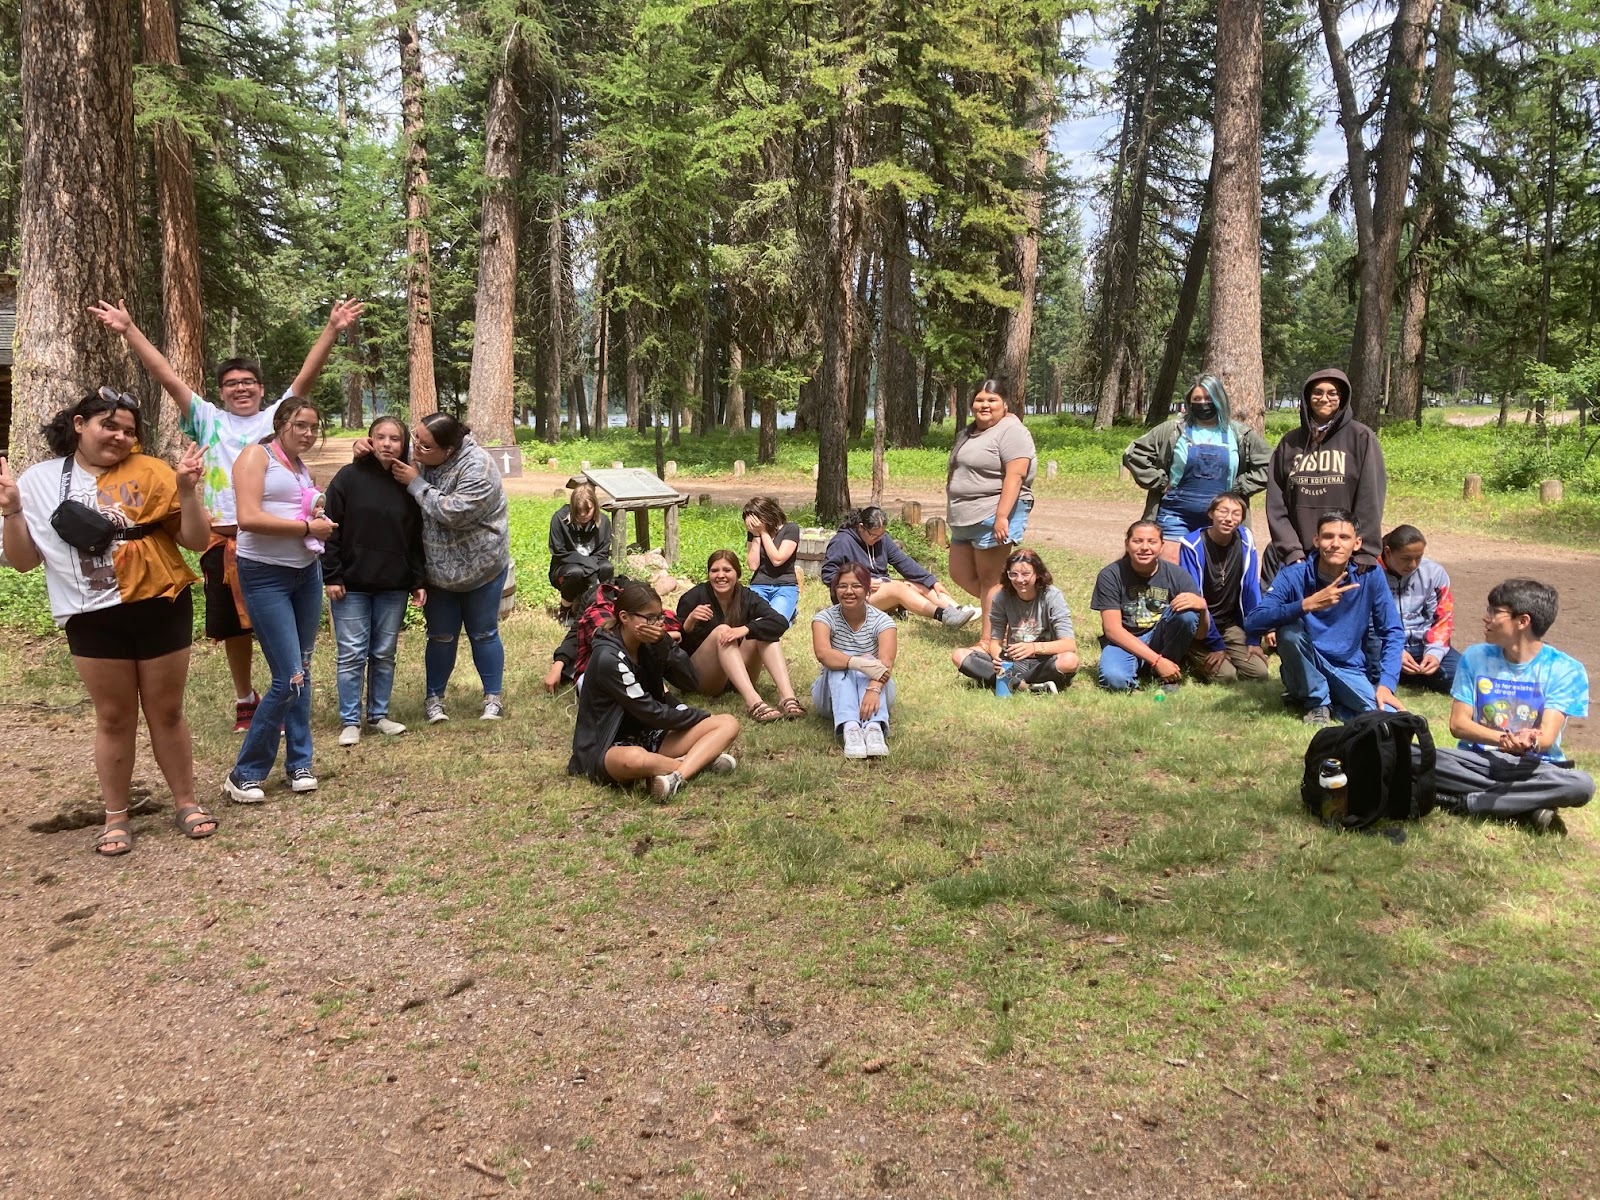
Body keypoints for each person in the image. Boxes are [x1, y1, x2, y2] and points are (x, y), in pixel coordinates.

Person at [91, 296, 363, 733]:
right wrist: (128, 329)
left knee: (281, 624)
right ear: (221, 391)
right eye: (233, 382)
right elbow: (166, 375)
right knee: (232, 628)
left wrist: (331, 328)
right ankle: (245, 698)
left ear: (261, 389)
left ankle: (283, 689)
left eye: (250, 382)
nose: (242, 388)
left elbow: (305, 379)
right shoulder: (206, 419)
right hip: (223, 535)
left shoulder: (277, 418)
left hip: (281, 535)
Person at [0, 391, 215, 855]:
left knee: (168, 711)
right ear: (79, 424)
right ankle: (116, 816)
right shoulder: (37, 482)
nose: (120, 436)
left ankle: (186, 802)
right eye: (109, 425)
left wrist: (187, 491)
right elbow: (21, 562)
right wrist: (12, 510)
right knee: (114, 717)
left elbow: (196, 541)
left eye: (129, 430)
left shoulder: (153, 472)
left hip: (161, 602)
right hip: (90, 613)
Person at [222, 398, 336, 802]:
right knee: (287, 677)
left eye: (313, 427)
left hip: (305, 573)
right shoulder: (257, 456)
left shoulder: (300, 468)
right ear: (282, 422)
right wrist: (308, 525)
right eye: (301, 425)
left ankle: (299, 763)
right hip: (265, 574)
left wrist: (317, 523)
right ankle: (245, 773)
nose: (308, 433)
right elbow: (247, 518)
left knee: (302, 669)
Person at [1432, 578, 1592, 831]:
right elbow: (1458, 725)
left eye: (1495, 611)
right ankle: (1525, 805)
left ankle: (1469, 802)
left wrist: (1531, 741)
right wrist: (1502, 740)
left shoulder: (1565, 669)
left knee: (1581, 784)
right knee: (1414, 755)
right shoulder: (1475, 656)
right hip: (1476, 760)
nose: (1486, 618)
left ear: (1522, 621)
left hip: (1534, 766)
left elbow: (1547, 738)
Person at [567, 581, 740, 801]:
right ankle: (697, 763)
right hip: (607, 747)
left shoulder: (650, 643)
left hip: (651, 736)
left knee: (728, 723)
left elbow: (691, 680)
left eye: (659, 617)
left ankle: (676, 776)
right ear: (624, 617)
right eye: (649, 618)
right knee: (636, 760)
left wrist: (664, 642)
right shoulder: (607, 658)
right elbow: (650, 711)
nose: (657, 624)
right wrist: (697, 717)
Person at [388, 414, 511, 724]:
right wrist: (364, 447)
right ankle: (433, 699)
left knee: (483, 633)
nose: (415, 449)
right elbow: (385, 450)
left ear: (450, 449)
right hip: (437, 569)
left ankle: (493, 699)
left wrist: (416, 483)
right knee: (440, 636)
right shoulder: (424, 454)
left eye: (425, 446)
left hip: (481, 566)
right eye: (415, 440)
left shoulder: (478, 467)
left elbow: (454, 511)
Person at [1243, 508, 1404, 727]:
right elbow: (1253, 621)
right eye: (1328, 536)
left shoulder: (1370, 575)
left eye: (1344, 537)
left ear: (1357, 544)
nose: (1335, 543)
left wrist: (1386, 684)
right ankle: (1317, 701)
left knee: (1388, 718)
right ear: (1317, 540)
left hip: (1347, 667)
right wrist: (1306, 605)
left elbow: (1392, 631)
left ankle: (1325, 701)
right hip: (1304, 662)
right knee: (1288, 629)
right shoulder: (1294, 574)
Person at [321, 415, 426, 746]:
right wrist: (332, 574)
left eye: (394, 438)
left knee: (383, 652)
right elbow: (329, 528)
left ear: (404, 443)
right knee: (351, 652)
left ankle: (378, 715)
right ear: (369, 440)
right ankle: (350, 720)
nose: (387, 444)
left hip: (392, 584)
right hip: (351, 584)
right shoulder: (348, 478)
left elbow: (415, 538)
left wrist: (416, 580)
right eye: (380, 437)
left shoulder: (408, 482)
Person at [1123, 374, 1272, 561]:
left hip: (1222, 518)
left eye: (1209, 398)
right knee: (1173, 574)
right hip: (1175, 515)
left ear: (1220, 400)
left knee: (1215, 577)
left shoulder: (1240, 434)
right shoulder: (1174, 430)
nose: (1203, 403)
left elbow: (1270, 464)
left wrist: (1241, 486)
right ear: (1189, 402)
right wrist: (1160, 482)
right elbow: (1133, 454)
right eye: (1197, 399)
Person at [1264, 368, 1385, 578]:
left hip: (1344, 556)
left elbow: (1370, 498)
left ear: (1343, 397)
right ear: (1307, 397)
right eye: (1317, 392)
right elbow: (1276, 502)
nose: (1324, 398)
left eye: (1332, 393)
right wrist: (1291, 549)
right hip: (1299, 556)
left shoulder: (1361, 438)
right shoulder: (1290, 442)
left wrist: (1364, 550)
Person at [946, 378, 1036, 630]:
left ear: (1005, 404)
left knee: (990, 580)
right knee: (959, 573)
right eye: (979, 400)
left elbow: (1016, 475)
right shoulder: (971, 431)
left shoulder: (1011, 431)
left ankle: (989, 640)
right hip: (965, 517)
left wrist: (1002, 516)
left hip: (992, 514)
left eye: (992, 400)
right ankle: (1011, 611)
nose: (984, 405)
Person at [676, 550, 804, 721]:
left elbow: (779, 622)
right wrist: (689, 621)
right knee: (723, 631)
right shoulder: (694, 597)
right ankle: (754, 703)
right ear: (708, 574)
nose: (721, 575)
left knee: (764, 630)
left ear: (737, 573)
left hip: (736, 676)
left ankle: (787, 698)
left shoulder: (747, 596)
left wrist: (747, 629)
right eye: (715, 571)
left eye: (727, 570)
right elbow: (677, 649)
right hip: (703, 678)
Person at [1091, 521, 1207, 692]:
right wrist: (1157, 661)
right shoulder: (1111, 575)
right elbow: (1112, 630)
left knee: (1187, 614)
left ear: (1162, 546)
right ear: (1127, 544)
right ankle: (1155, 667)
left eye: (1152, 542)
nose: (1145, 547)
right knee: (1114, 681)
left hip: (1160, 637)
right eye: (1137, 541)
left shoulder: (1178, 575)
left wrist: (1203, 607)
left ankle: (1166, 676)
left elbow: (1201, 634)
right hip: (1125, 640)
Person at [821, 506, 976, 629]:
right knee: (898, 588)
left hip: (877, 590)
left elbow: (903, 562)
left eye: (881, 535)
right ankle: (944, 616)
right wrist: (859, 581)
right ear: (861, 527)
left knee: (917, 583)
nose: (878, 539)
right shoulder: (842, 541)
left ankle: (959, 610)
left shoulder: (882, 539)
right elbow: (828, 575)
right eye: (873, 535)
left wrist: (931, 580)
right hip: (852, 599)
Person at [950, 548, 1078, 692]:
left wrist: (1034, 648)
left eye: (1026, 574)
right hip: (1013, 662)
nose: (1020, 580)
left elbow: (1069, 644)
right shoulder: (1001, 598)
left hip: (1045, 661)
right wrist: (998, 659)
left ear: (1037, 574)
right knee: (959, 655)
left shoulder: (1052, 596)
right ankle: (1025, 686)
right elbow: (995, 641)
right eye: (1013, 574)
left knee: (1070, 661)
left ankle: (1010, 682)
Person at [1177, 491, 1268, 683]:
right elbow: (1194, 597)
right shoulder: (1192, 545)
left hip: (1229, 624)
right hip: (1201, 627)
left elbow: (1251, 590)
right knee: (1227, 677)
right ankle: (1188, 652)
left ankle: (1229, 649)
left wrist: (1253, 639)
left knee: (1259, 673)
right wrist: (1216, 644)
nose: (1229, 518)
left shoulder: (1245, 540)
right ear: (1211, 513)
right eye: (1223, 511)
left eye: (1236, 514)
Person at [812, 562, 897, 758]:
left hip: (876, 690)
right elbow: (823, 654)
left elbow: (886, 662)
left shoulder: (883, 621)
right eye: (842, 586)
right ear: (835, 589)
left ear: (867, 590)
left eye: (856, 586)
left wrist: (874, 689)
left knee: (870, 659)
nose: (849, 591)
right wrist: (860, 663)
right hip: (832, 696)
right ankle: (850, 729)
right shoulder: (824, 618)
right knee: (837, 663)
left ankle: (874, 729)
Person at [1377, 524, 1459, 694]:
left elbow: (1442, 618)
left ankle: (1415, 673)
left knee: (1463, 674)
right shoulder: (1370, 572)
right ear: (1388, 552)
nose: (1413, 564)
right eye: (1406, 558)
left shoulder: (1434, 573)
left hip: (1422, 646)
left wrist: (1435, 653)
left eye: (1418, 558)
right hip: (1382, 647)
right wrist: (1394, 652)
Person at [548, 482, 612, 623]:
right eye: (578, 511)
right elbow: (559, 552)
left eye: (587, 510)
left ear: (595, 506)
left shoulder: (604, 521)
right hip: (564, 568)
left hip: (594, 566)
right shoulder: (559, 519)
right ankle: (565, 611)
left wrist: (591, 569)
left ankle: (602, 606)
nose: (583, 515)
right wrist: (588, 566)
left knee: (607, 567)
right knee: (575, 571)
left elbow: (603, 553)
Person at [743, 496, 801, 623]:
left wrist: (763, 533)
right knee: (752, 621)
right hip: (759, 585)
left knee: (774, 623)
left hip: (784, 586)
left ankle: (790, 612)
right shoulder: (754, 533)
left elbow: (778, 559)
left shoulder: (791, 529)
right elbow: (753, 565)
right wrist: (756, 536)